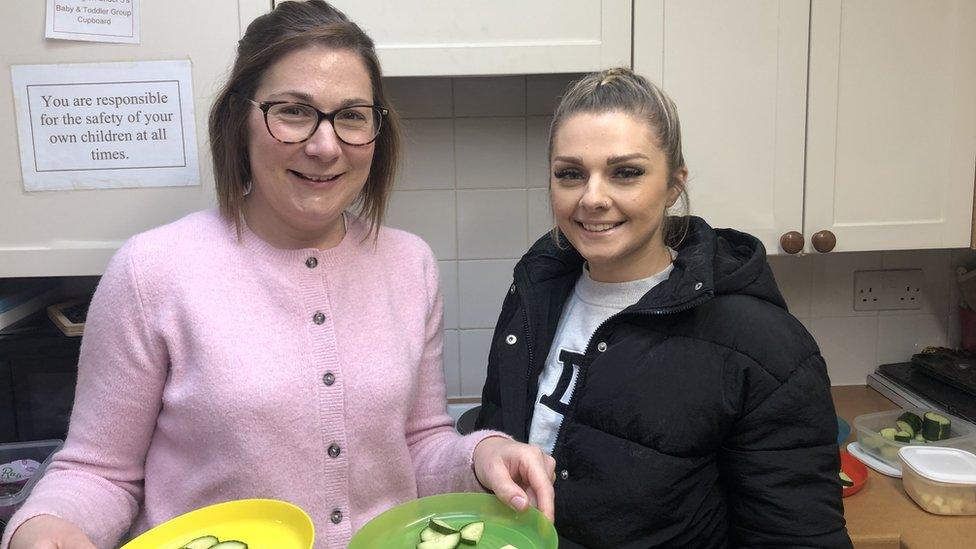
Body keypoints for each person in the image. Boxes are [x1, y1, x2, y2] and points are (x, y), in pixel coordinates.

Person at [3, 2, 554, 548]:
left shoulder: (410, 265)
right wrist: (45, 522)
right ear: (239, 120)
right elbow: (99, 471)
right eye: (293, 110)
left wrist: (481, 454)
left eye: (352, 115)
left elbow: (418, 443)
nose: (324, 145)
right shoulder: (151, 271)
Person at [475, 67, 852, 548]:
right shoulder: (534, 293)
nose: (592, 198)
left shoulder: (763, 345)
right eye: (570, 174)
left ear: (674, 184)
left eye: (625, 172)